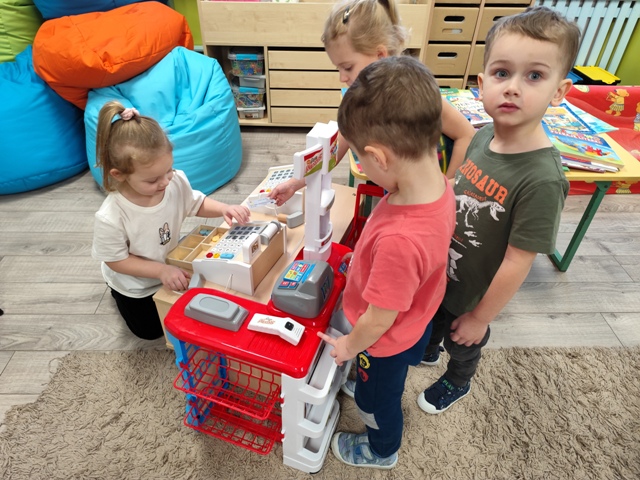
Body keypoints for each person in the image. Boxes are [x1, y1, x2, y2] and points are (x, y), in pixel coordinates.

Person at [418, 6, 581, 414]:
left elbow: (518, 261)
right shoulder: (483, 135)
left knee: (463, 339)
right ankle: (431, 348)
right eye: (502, 72)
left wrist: (480, 318)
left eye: (534, 76)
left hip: (476, 291)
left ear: (559, 91)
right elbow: (460, 186)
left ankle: (459, 380)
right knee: (435, 317)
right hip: (446, 268)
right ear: (482, 83)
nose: (512, 88)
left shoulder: (543, 180)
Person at [318, 56, 456, 469]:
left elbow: (378, 320)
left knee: (374, 400)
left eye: (360, 160)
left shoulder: (401, 241)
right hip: (417, 315)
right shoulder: (439, 183)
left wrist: (349, 346)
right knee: (398, 358)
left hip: (382, 343)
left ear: (378, 157)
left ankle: (382, 450)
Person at [268, 0, 475, 206]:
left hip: (432, 202)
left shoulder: (416, 95)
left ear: (380, 56)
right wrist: (296, 183)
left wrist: (446, 190)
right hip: (399, 198)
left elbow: (466, 134)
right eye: (338, 68)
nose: (342, 77)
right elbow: (333, 150)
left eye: (348, 67)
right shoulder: (361, 105)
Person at [92, 101, 250, 340]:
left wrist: (224, 209)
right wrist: (160, 270)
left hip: (167, 261)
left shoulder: (174, 181)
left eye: (169, 170)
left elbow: (194, 203)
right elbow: (116, 260)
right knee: (151, 333)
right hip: (134, 285)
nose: (165, 182)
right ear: (119, 175)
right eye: (152, 180)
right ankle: (116, 294)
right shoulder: (111, 216)